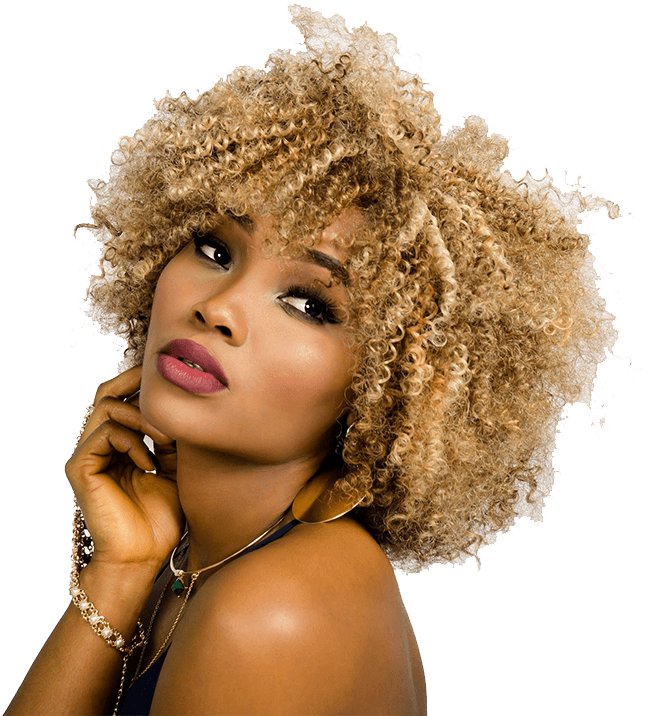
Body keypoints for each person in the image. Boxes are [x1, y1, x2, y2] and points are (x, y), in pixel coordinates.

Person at [5, 4, 626, 715]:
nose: (218, 307)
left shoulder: (273, 610)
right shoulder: (196, 559)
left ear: (395, 388)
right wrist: (121, 571)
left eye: (308, 303)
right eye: (214, 248)